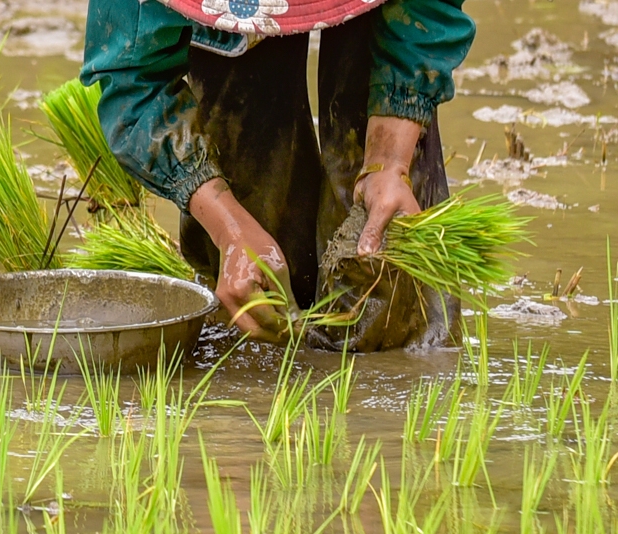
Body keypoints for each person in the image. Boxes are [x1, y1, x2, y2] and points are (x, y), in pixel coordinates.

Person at [81, 0, 476, 349]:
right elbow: (132, 78)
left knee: (388, 282)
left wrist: (390, 161)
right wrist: (228, 226)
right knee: (257, 296)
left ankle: (403, 365)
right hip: (228, 27)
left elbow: (428, 12)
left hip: (379, 11)